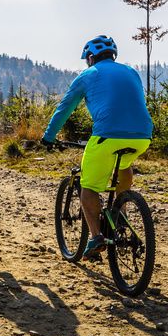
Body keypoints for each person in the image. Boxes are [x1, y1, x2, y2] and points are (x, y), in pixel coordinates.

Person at [41, 35, 153, 258]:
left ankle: (95, 238)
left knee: (89, 188)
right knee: (124, 163)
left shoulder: (88, 75)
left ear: (90, 58)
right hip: (143, 136)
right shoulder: (131, 72)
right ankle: (120, 216)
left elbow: (65, 108)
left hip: (107, 135)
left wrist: (49, 136)